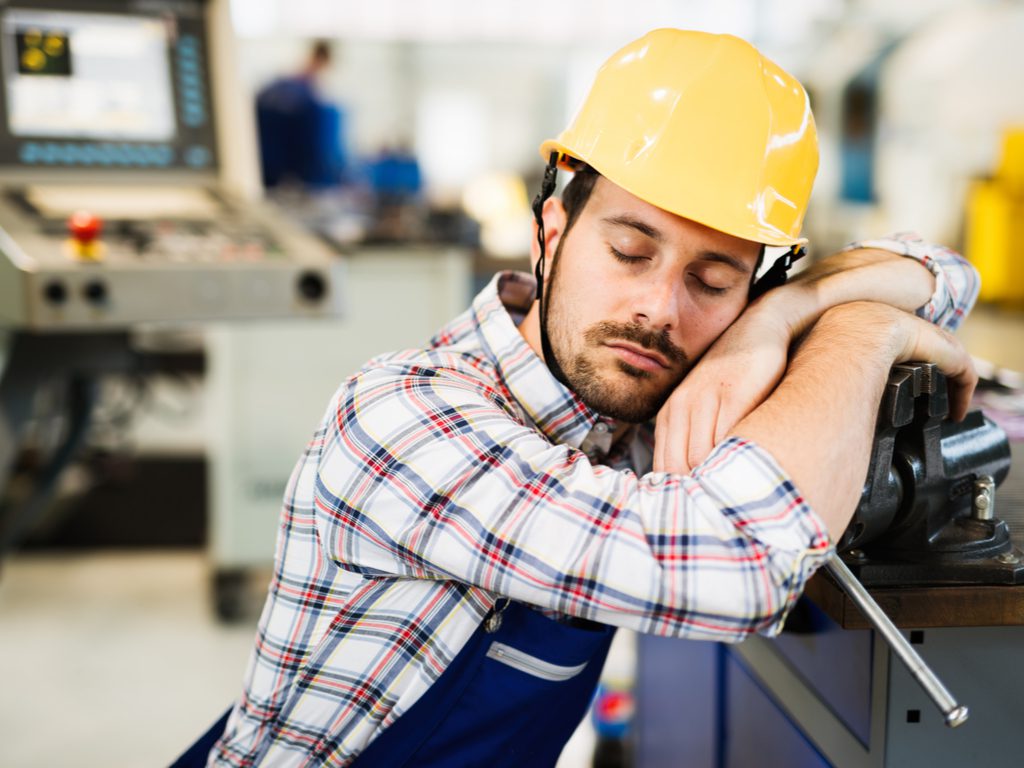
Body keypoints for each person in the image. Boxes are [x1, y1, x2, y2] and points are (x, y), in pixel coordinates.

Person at [204, 29, 979, 766]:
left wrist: (778, 318)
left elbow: (943, 273)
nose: (659, 310)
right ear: (549, 233)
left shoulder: (642, 410)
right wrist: (860, 336)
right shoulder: (399, 418)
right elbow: (738, 566)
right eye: (629, 250)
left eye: (712, 281)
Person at [255, 40, 347, 189]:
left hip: (268, 166)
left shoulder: (280, 86)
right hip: (290, 172)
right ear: (323, 61)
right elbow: (315, 148)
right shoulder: (307, 97)